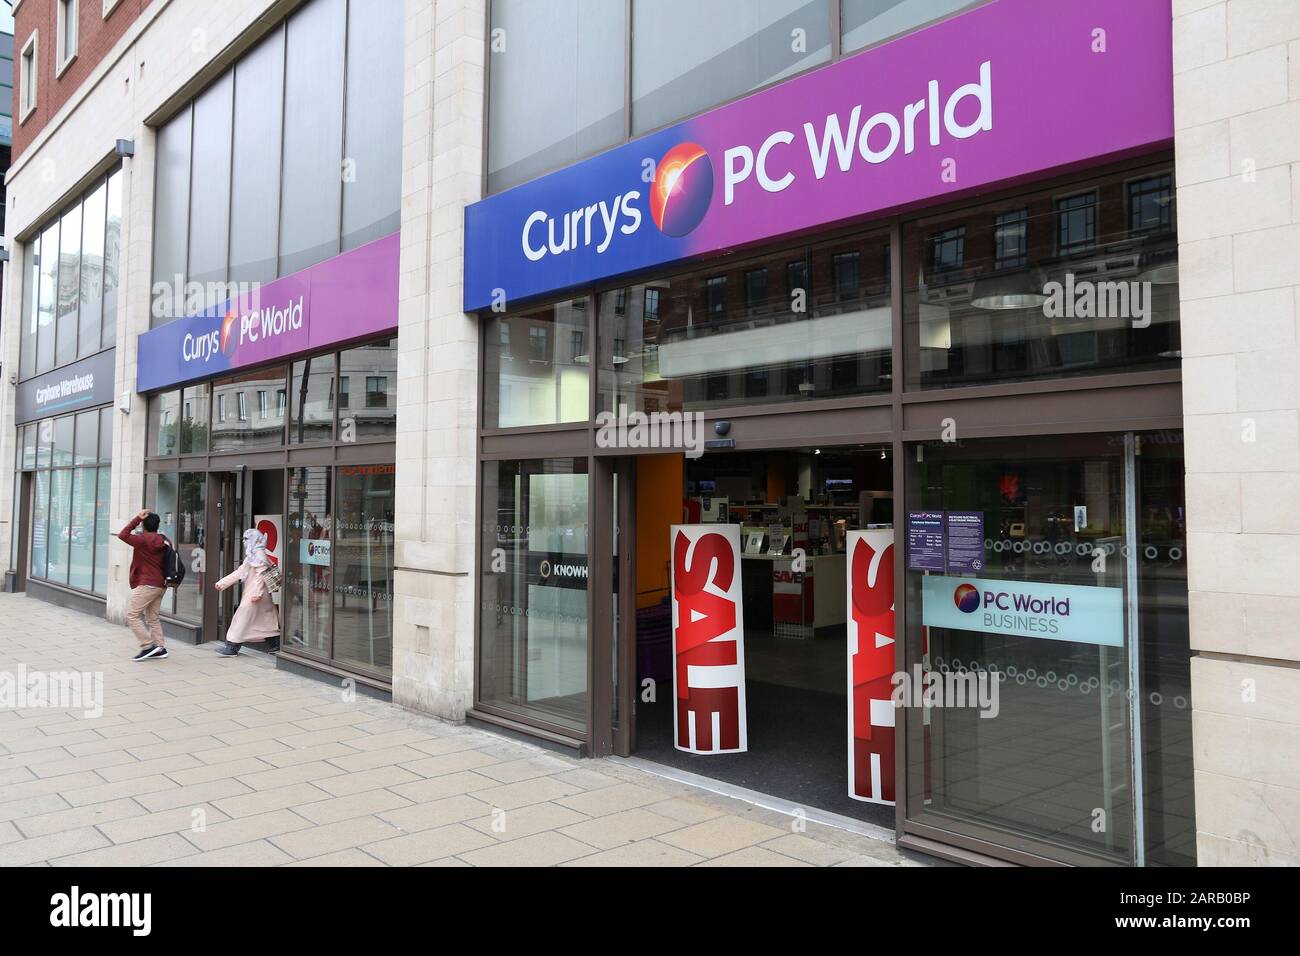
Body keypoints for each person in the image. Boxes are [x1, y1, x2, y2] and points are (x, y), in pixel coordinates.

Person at [213, 528, 280, 656]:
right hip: (258, 595)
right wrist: (222, 583)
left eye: (246, 539)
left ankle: (232, 647)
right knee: (265, 621)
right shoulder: (253, 554)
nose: (244, 541)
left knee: (241, 618)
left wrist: (257, 593)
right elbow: (240, 572)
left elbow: (261, 575)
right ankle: (275, 643)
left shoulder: (259, 555)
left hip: (255, 595)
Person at [118, 508, 170, 661]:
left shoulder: (142, 540)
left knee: (132, 614)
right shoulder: (164, 539)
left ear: (143, 525)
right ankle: (160, 648)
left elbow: (123, 535)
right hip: (161, 584)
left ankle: (148, 646)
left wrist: (137, 519)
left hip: (148, 584)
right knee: (152, 617)